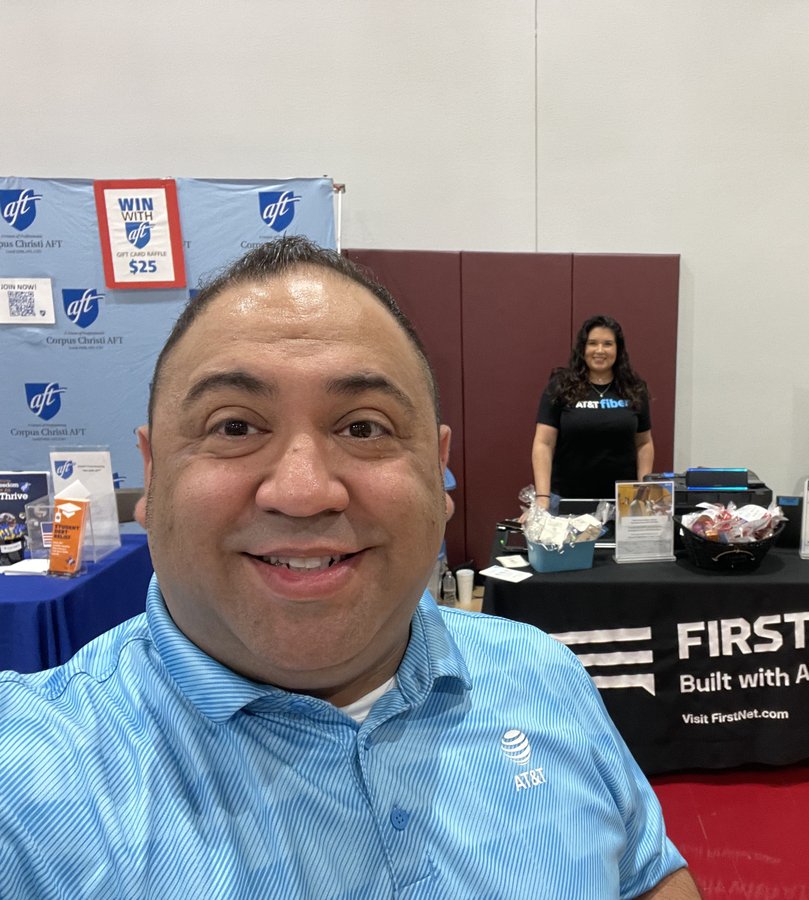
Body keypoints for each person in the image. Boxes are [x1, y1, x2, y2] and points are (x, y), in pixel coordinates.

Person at [0, 237, 699, 899]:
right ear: (151, 476)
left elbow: (646, 874)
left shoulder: (543, 674)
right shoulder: (29, 781)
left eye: (363, 427)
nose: (303, 493)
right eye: (234, 426)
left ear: (437, 469)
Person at [532, 315, 653, 509]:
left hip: (623, 503)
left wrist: (644, 490)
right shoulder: (560, 386)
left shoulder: (634, 388)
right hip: (567, 499)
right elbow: (543, 443)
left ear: (618, 349)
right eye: (592, 343)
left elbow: (644, 443)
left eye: (607, 344)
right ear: (583, 349)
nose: (599, 350)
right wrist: (542, 497)